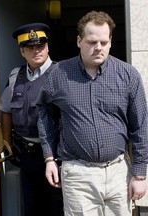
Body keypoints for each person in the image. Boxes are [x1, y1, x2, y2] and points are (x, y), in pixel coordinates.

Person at [37, 10, 148, 216]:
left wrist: (139, 175)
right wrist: (49, 157)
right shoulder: (59, 74)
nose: (98, 47)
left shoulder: (128, 75)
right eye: (91, 41)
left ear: (111, 42)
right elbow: (43, 110)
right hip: (78, 175)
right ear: (79, 40)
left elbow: (141, 125)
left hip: (118, 173)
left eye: (104, 42)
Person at [0, 23, 63, 216]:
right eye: (30, 47)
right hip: (27, 155)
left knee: (57, 207)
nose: (36, 51)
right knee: (32, 206)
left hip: (57, 155)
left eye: (40, 46)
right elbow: (6, 110)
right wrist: (7, 144)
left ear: (48, 47)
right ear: (22, 51)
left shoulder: (62, 74)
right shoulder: (15, 76)